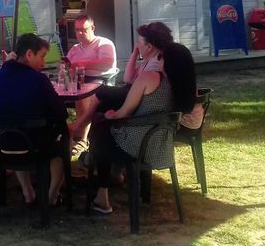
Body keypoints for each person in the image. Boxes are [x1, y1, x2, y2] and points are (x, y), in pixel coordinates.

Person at [89, 41, 196, 214]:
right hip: (160, 148)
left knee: (100, 124)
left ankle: (102, 193)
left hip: (134, 146)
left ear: (166, 61)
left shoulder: (150, 78)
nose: (157, 60)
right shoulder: (182, 89)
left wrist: (109, 115)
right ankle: (112, 172)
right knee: (104, 129)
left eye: (160, 57)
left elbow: (123, 113)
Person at [70, 22, 174, 153]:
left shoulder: (154, 66)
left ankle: (80, 131)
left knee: (101, 95)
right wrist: (135, 53)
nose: (137, 45)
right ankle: (85, 139)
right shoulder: (151, 60)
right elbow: (128, 79)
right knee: (100, 103)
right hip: (137, 98)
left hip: (139, 106)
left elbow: (132, 91)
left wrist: (115, 115)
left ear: (149, 46)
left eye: (139, 42)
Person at [0, 33, 68, 205]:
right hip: (35, 148)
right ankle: (52, 196)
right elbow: (62, 114)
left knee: (15, 129)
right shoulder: (38, 80)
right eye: (42, 56)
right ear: (29, 54)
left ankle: (28, 192)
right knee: (65, 136)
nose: (43, 63)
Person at [65, 15, 117, 154]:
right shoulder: (75, 49)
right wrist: (67, 68)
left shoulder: (103, 43)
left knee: (82, 95)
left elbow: (108, 63)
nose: (80, 33)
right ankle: (63, 133)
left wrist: (82, 64)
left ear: (93, 28)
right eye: (77, 30)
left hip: (101, 81)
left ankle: (81, 138)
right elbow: (66, 65)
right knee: (53, 96)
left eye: (83, 29)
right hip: (78, 81)